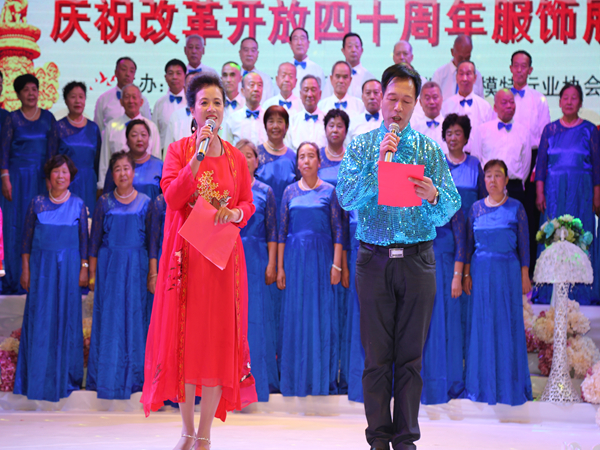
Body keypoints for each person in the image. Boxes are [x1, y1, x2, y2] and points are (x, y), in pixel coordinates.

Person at [336, 64, 460, 450]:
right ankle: (378, 439)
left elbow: (450, 206)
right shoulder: (361, 146)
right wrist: (378, 167)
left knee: (410, 358)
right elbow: (346, 198)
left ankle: (406, 440)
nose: (398, 108)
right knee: (376, 358)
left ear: (416, 104)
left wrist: (433, 195)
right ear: (380, 98)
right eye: (392, 98)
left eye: (407, 100)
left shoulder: (429, 149)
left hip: (417, 261)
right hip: (372, 260)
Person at [141, 74, 256, 450]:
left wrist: (235, 214)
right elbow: (173, 198)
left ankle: (205, 433)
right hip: (187, 258)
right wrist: (197, 158)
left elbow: (247, 203)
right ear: (192, 109)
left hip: (222, 261)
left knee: (217, 343)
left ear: (225, 109)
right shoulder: (178, 151)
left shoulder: (237, 159)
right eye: (204, 102)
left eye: (217, 102)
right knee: (185, 342)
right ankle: (187, 429)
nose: (211, 109)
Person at [13, 155, 88, 402]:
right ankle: (36, 378)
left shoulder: (78, 204)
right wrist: (25, 269)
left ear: (71, 176)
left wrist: (84, 268)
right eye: (56, 171)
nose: (60, 176)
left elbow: (84, 242)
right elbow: (25, 240)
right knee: (40, 318)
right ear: (49, 176)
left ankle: (67, 379)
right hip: (41, 268)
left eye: (65, 172)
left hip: (69, 269)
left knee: (67, 318)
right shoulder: (37, 203)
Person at [463, 159, 532, 406]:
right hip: (481, 272)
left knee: (507, 324)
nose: (493, 180)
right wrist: (466, 274)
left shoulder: (516, 208)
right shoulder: (475, 208)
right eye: (488, 175)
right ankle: (482, 386)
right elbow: (468, 245)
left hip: (508, 272)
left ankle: (508, 386)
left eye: (498, 175)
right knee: (482, 324)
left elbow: (524, 244)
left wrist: (525, 274)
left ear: (506, 180)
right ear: (484, 180)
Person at [277, 141, 343, 396]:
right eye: (302, 157)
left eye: (311, 156)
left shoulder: (330, 191)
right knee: (296, 314)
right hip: (294, 260)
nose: (306, 161)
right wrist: (280, 267)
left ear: (319, 161)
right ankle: (295, 379)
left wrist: (336, 264)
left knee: (321, 315)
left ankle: (320, 378)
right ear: (297, 163)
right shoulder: (289, 192)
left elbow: (338, 230)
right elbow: (281, 232)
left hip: (322, 259)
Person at [87, 151, 151, 400]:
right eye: (117, 169)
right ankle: (107, 378)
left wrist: (153, 272)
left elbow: (152, 241)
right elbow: (94, 241)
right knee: (110, 319)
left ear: (133, 172)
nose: (123, 173)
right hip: (110, 266)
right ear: (111, 175)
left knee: (136, 318)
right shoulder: (104, 202)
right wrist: (92, 273)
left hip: (137, 266)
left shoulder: (146, 202)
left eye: (126, 168)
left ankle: (136, 378)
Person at [535, 83, 600, 305]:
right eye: (565, 97)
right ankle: (548, 290)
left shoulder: (590, 130)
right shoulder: (550, 130)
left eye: (574, 98)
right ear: (560, 101)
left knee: (580, 234)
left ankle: (583, 291)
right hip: (554, 190)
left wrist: (597, 193)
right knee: (554, 234)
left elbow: (597, 165)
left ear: (580, 103)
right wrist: (540, 191)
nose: (569, 102)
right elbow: (541, 165)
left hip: (582, 190)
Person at [0, 74, 58, 294]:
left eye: (34, 89)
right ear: (17, 94)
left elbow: (52, 152)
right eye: (26, 90)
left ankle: (38, 278)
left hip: (41, 180)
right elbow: (4, 150)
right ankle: (15, 279)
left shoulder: (48, 118)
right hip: (16, 179)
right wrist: (5, 177)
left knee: (39, 225)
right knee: (14, 226)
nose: (31, 93)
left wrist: (51, 179)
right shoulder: (12, 118)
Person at [237, 139, 278, 402]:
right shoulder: (227, 189)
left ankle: (258, 383)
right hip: (231, 256)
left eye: (249, 155)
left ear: (257, 160)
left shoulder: (266, 191)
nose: (245, 159)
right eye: (240, 155)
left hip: (257, 257)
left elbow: (273, 230)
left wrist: (272, 263)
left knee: (256, 318)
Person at [509, 50, 551, 276]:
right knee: (508, 217)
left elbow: (545, 139)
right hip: (508, 163)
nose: (519, 70)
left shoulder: (539, 99)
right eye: (515, 65)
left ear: (530, 70)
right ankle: (510, 269)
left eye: (523, 66)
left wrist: (537, 169)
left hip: (533, 161)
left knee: (530, 218)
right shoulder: (503, 97)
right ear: (510, 69)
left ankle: (532, 273)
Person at [420, 205, 466, 405]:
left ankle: (449, 383)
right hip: (420, 268)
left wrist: (457, 276)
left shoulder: (451, 201)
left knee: (447, 325)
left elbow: (461, 240)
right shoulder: (414, 200)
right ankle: (421, 384)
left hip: (446, 271)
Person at [470, 89, 530, 207]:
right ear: (495, 107)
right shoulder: (482, 130)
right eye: (504, 102)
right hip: (488, 187)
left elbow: (526, 164)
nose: (509, 106)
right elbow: (476, 159)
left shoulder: (524, 131)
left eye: (511, 102)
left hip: (514, 188)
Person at [98, 84, 160, 190]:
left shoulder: (151, 127)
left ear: (141, 102)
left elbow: (156, 157)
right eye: (127, 97)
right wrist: (102, 186)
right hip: (117, 186)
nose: (131, 101)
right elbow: (105, 160)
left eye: (134, 97)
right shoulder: (111, 126)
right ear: (121, 102)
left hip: (147, 185)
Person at [57, 81, 102, 213]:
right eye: (73, 97)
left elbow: (98, 160)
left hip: (89, 182)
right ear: (66, 101)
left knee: (88, 218)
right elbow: (51, 157)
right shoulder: (58, 127)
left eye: (81, 97)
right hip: (65, 181)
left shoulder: (93, 128)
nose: (77, 101)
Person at [103, 119, 163, 201]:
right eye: (134, 135)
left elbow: (166, 198)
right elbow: (107, 198)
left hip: (153, 209)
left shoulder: (159, 165)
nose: (139, 139)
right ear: (127, 140)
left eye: (143, 135)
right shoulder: (118, 164)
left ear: (149, 138)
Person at [255, 105, 297, 214]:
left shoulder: (293, 157)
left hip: (287, 215)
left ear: (286, 126)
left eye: (279, 121)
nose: (275, 126)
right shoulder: (256, 154)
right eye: (271, 121)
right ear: (265, 126)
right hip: (259, 216)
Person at [93, 56, 152, 133]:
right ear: (116, 72)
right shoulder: (103, 99)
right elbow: (98, 129)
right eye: (124, 69)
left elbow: (148, 127)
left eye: (131, 71)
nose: (127, 74)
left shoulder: (141, 100)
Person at [441, 114, 486, 213]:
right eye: (449, 134)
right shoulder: (439, 162)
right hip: (444, 221)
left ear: (465, 137)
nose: (453, 138)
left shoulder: (474, 163)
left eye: (457, 134)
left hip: (471, 218)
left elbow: (483, 197)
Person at [441, 61, 493, 141]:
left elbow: (490, 135)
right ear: (456, 77)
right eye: (461, 74)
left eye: (468, 74)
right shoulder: (446, 105)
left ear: (475, 78)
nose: (464, 78)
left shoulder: (485, 107)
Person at [432, 35, 484, 100]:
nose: (464, 61)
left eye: (467, 58)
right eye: (460, 58)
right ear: (452, 52)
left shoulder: (476, 75)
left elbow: (481, 102)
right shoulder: (440, 74)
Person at [223, 72, 267, 146]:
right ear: (243, 91)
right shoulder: (232, 119)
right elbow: (225, 147)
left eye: (259, 85)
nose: (256, 89)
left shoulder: (268, 118)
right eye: (252, 85)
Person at [153, 59, 187, 154]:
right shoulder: (159, 104)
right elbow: (154, 134)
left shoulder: (192, 103)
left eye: (178, 73)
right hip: (165, 154)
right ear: (165, 77)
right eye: (171, 73)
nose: (174, 77)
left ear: (185, 76)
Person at [286, 75, 327, 150]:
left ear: (320, 94)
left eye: (313, 90)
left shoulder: (328, 120)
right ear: (300, 94)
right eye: (306, 90)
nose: (309, 94)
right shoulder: (292, 121)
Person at [164, 72, 200, 149]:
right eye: (190, 85)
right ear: (184, 88)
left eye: (197, 85)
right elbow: (168, 147)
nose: (194, 89)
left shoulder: (210, 114)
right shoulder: (175, 116)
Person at [410, 81, 447, 154]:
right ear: (420, 102)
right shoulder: (414, 131)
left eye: (435, 97)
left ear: (442, 99)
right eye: (427, 98)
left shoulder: (450, 128)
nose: (431, 102)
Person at [288, 27, 326, 97]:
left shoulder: (317, 69)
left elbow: (322, 96)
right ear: (290, 44)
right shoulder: (285, 69)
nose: (299, 43)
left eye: (302, 39)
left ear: (308, 43)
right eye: (295, 39)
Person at [338, 32, 374, 98]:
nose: (353, 50)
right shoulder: (335, 75)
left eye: (357, 46)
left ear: (362, 50)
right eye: (349, 46)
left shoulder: (369, 77)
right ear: (343, 50)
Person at [238, 37, 276, 102]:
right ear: (240, 53)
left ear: (257, 54)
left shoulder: (266, 79)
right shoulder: (233, 78)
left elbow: (269, 103)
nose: (249, 54)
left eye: (253, 50)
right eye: (246, 50)